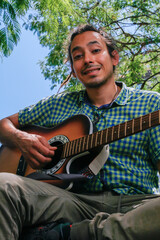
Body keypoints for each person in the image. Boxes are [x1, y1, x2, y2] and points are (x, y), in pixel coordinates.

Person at [0, 24, 160, 240]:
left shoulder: (151, 104)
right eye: (78, 56)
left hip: (136, 204)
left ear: (114, 58)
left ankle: (75, 234)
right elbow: (5, 124)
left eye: (95, 50)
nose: (87, 60)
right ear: (74, 71)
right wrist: (22, 139)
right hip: (73, 202)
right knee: (3, 185)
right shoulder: (57, 104)